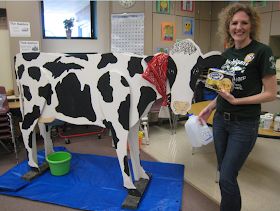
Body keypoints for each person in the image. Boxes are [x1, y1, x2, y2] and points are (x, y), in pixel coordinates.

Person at [198, 3, 277, 211]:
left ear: (252, 25)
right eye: (234, 23)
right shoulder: (226, 54)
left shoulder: (262, 51)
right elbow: (223, 90)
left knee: (226, 175)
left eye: (244, 23)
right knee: (224, 172)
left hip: (244, 124)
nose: (238, 27)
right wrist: (210, 107)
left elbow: (270, 93)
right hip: (220, 121)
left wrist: (237, 101)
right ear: (228, 26)